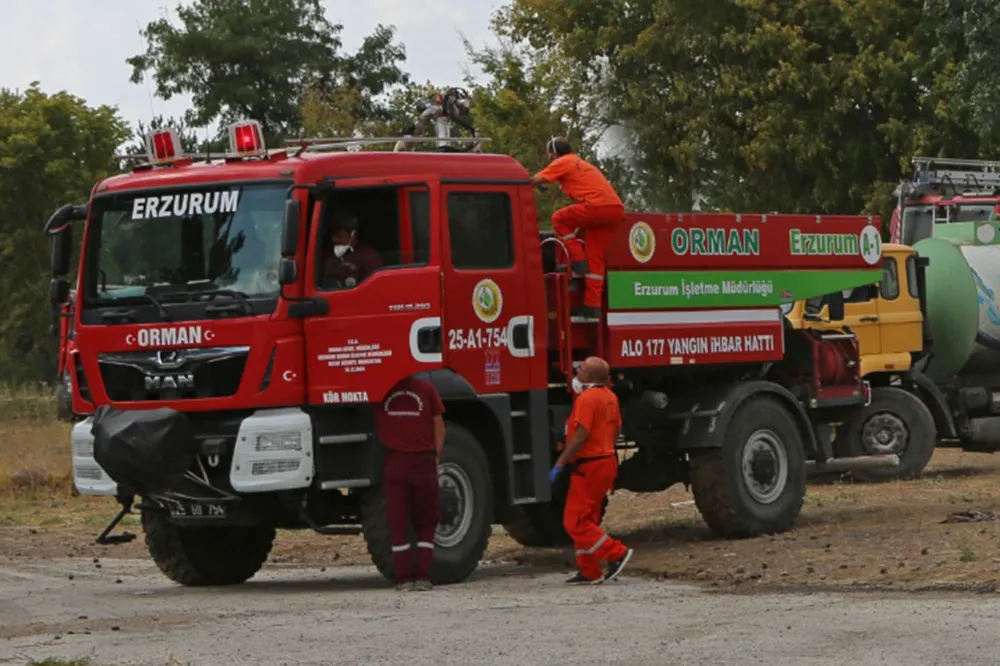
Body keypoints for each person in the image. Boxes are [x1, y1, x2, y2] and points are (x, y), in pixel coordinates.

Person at [550, 356, 633, 584]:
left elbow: (580, 435)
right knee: (588, 519)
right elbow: (617, 430)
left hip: (589, 465)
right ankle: (589, 570)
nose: (577, 371)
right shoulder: (610, 397)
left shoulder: (587, 399)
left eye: (582, 369)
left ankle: (616, 553)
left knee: (575, 521)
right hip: (605, 462)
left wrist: (561, 462)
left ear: (590, 376)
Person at [530, 137, 625, 323]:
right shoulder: (580, 163)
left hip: (597, 207)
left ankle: (578, 261)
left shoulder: (563, 161)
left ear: (553, 154)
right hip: (615, 210)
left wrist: (516, 179)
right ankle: (592, 306)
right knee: (595, 256)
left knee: (558, 219)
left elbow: (535, 180)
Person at [373, 373, 446, 591]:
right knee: (426, 522)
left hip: (395, 463)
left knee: (398, 524)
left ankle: (404, 579)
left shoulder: (380, 391)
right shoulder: (427, 389)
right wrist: (436, 456)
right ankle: (423, 577)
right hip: (423, 463)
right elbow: (438, 424)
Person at [321, 211, 382, 288]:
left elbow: (376, 284)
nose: (334, 240)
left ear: (353, 235)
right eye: (332, 236)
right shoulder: (326, 253)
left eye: (339, 236)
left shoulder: (367, 254)